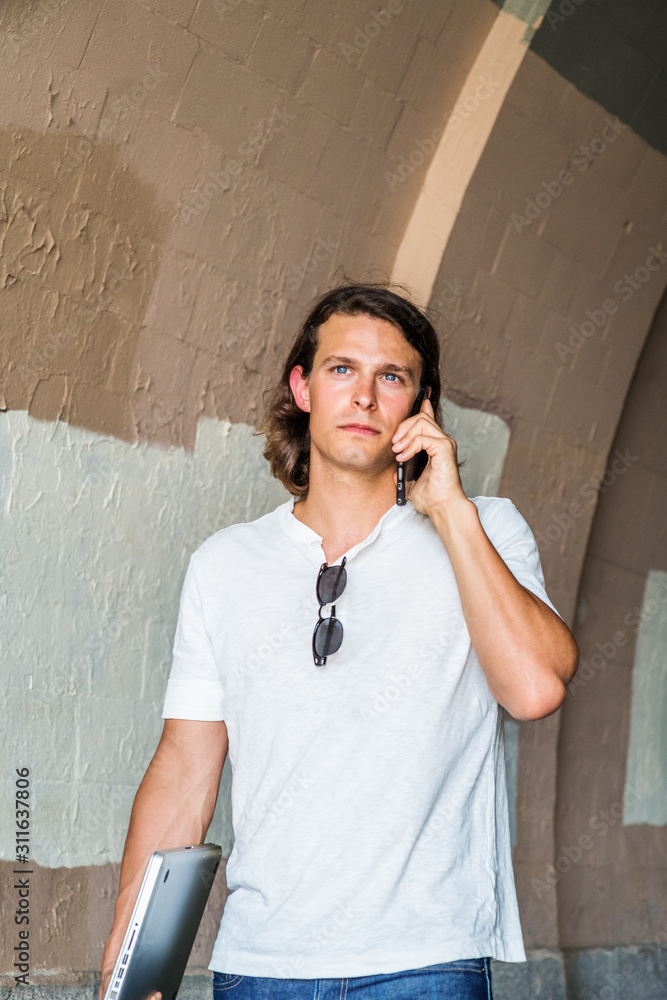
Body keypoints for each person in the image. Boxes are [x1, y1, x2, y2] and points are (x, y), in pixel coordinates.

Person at [100, 283, 579, 1000]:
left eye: (391, 377)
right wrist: (125, 961)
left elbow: (535, 688)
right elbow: (182, 774)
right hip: (262, 966)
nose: (363, 396)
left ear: (420, 408)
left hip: (426, 960)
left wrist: (446, 509)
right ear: (302, 386)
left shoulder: (486, 530)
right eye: (341, 369)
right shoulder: (224, 563)